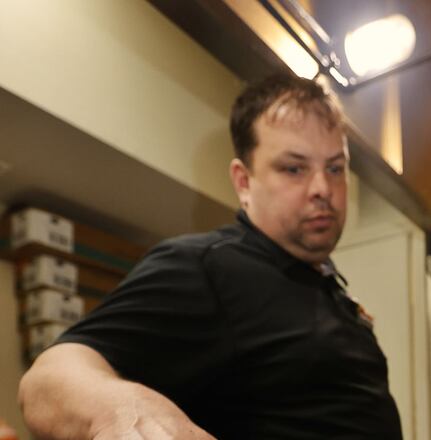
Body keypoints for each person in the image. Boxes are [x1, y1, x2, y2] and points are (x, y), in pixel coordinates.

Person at [17, 74, 403, 439]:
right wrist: (126, 410)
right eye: (294, 168)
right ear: (243, 181)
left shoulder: (328, 285)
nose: (323, 187)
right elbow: (46, 380)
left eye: (335, 168)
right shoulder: (208, 266)